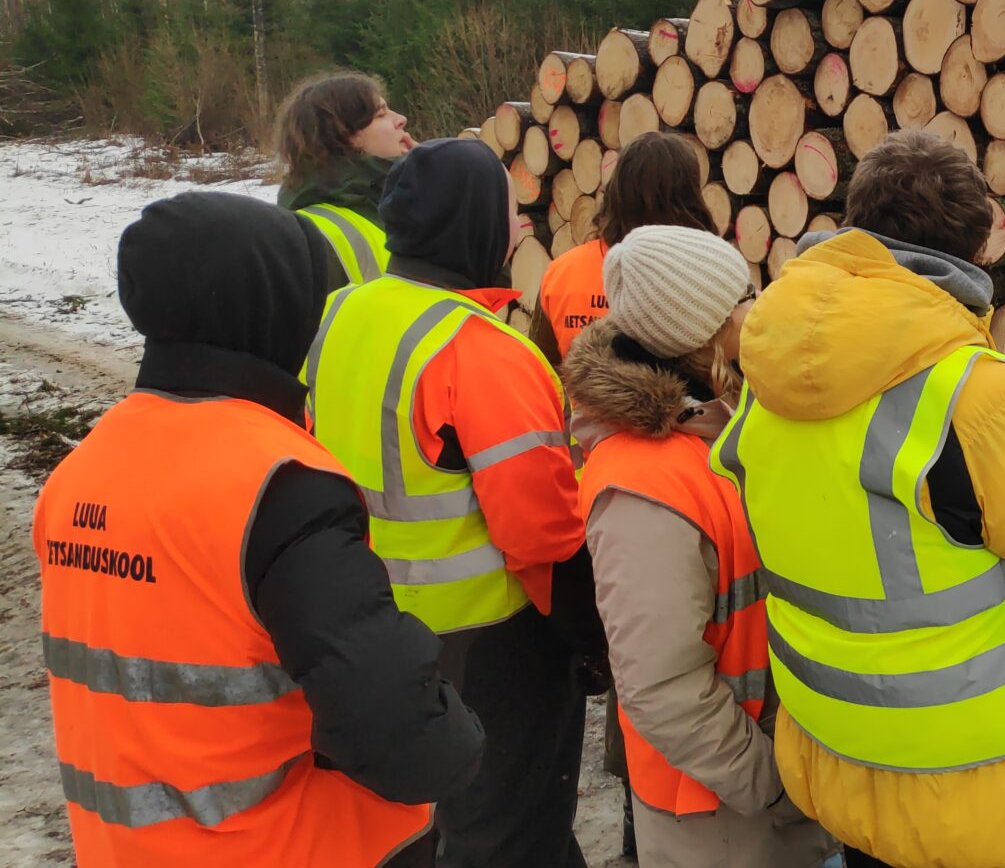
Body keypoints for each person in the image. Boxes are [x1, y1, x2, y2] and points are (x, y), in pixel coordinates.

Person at [712, 130, 1005, 868]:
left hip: (841, 760)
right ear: (982, 248)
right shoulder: (976, 395)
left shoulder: (766, 381)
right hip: (986, 787)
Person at [35, 191, 483, 866]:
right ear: (274, 307)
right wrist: (462, 739)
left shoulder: (81, 472)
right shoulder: (279, 487)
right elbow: (407, 743)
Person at [303, 137, 593, 868]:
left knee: (411, 827)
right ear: (474, 225)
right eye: (509, 210)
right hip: (485, 647)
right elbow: (542, 532)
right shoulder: (482, 351)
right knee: (506, 832)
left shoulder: (342, 310)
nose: (521, 223)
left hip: (363, 623)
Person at [564, 225, 837, 867]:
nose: (759, 307)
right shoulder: (642, 489)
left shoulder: (726, 422)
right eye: (742, 297)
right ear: (705, 332)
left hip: (782, 789)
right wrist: (774, 785)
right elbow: (661, 689)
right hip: (720, 817)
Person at [530, 129, 718, 857]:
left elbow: (545, 374)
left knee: (630, 645)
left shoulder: (567, 270)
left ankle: (635, 786)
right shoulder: (699, 270)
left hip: (590, 485)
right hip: (688, 481)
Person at [532, 130, 718, 369]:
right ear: (690, 198)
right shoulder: (708, 276)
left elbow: (538, 370)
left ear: (615, 190)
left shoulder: (561, 272)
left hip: (580, 406)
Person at [274, 71, 415, 289]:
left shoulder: (402, 205)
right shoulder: (316, 237)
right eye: (381, 115)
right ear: (341, 137)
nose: (401, 119)